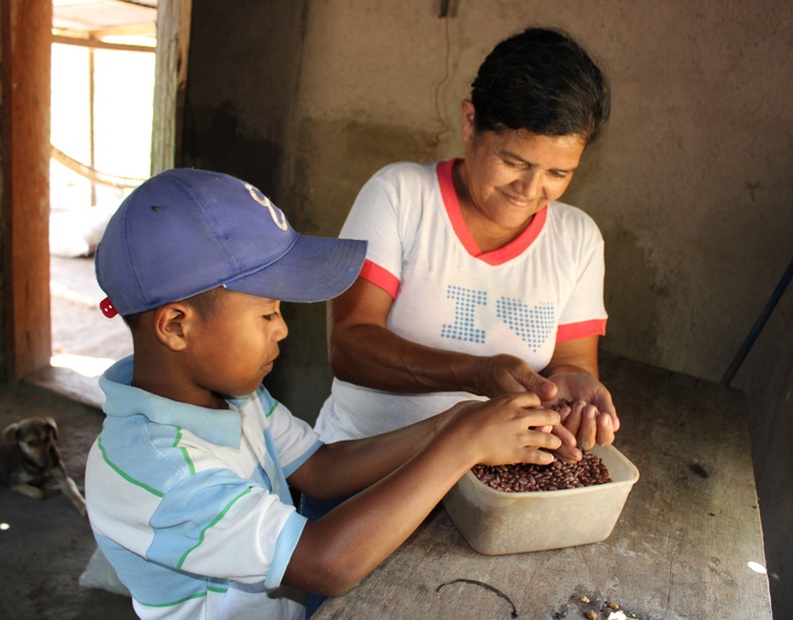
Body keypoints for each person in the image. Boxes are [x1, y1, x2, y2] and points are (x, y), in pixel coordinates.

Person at [84, 168, 566, 620]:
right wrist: (461, 445)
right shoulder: (154, 469)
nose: (283, 330)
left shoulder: (230, 396)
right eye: (267, 313)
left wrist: (452, 422)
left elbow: (320, 468)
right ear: (175, 326)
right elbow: (324, 563)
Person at [312, 26, 618, 483]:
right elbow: (350, 346)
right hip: (363, 469)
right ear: (469, 122)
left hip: (489, 487)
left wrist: (574, 389)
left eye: (558, 172)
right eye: (514, 162)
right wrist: (476, 373)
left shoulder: (578, 240)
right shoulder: (400, 196)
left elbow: (572, 364)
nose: (531, 190)